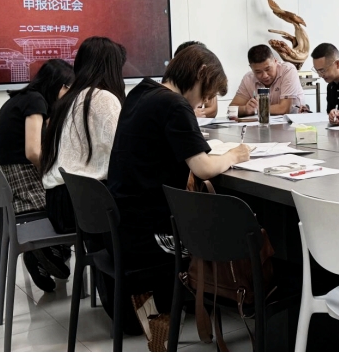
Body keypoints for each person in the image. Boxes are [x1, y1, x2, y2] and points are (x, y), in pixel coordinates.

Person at [106, 44, 250, 350]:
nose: (203, 103)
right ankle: (249, 309)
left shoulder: (142, 91)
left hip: (124, 223)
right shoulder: (174, 104)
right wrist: (235, 154)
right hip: (152, 235)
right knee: (240, 233)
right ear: (200, 74)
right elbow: (204, 167)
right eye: (206, 94)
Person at [0, 59, 74, 292]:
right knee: (73, 200)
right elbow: (33, 152)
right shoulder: (35, 101)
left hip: (11, 180)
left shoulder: (22, 98)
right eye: (69, 88)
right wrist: (52, 171)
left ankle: (50, 251)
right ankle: (42, 250)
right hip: (24, 180)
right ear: (59, 84)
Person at [41, 37, 126, 234]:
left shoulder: (69, 98)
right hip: (83, 206)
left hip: (60, 202)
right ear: (111, 67)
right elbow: (121, 152)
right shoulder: (102, 98)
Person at [230, 44, 305, 117]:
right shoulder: (248, 78)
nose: (265, 75)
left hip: (293, 122)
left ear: (275, 61)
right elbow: (231, 110)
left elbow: (284, 109)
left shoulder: (288, 70)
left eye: (268, 69)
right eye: (258, 72)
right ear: (251, 68)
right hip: (261, 123)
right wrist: (245, 109)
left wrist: (258, 109)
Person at [174, 40, 218, 118]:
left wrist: (193, 113)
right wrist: (189, 113)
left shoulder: (205, 77)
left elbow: (213, 109)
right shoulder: (172, 85)